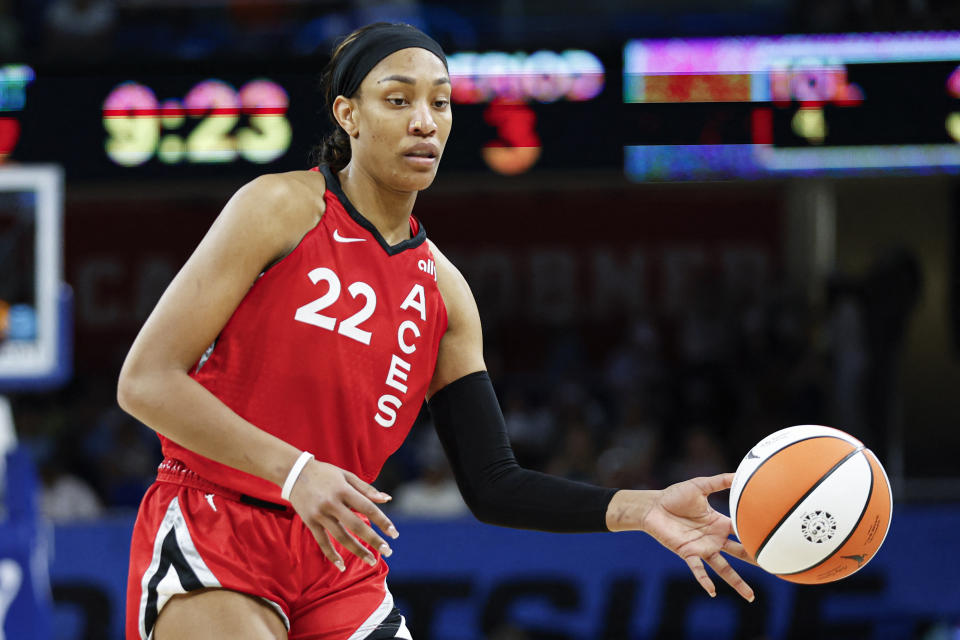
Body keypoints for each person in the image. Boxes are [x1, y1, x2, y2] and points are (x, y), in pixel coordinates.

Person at [118, 22, 755, 640]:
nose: (424, 120)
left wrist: (638, 509)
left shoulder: (445, 295)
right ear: (349, 115)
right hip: (220, 520)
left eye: (440, 103)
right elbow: (145, 381)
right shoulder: (281, 208)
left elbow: (493, 483)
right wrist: (296, 472)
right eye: (398, 100)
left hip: (339, 560)